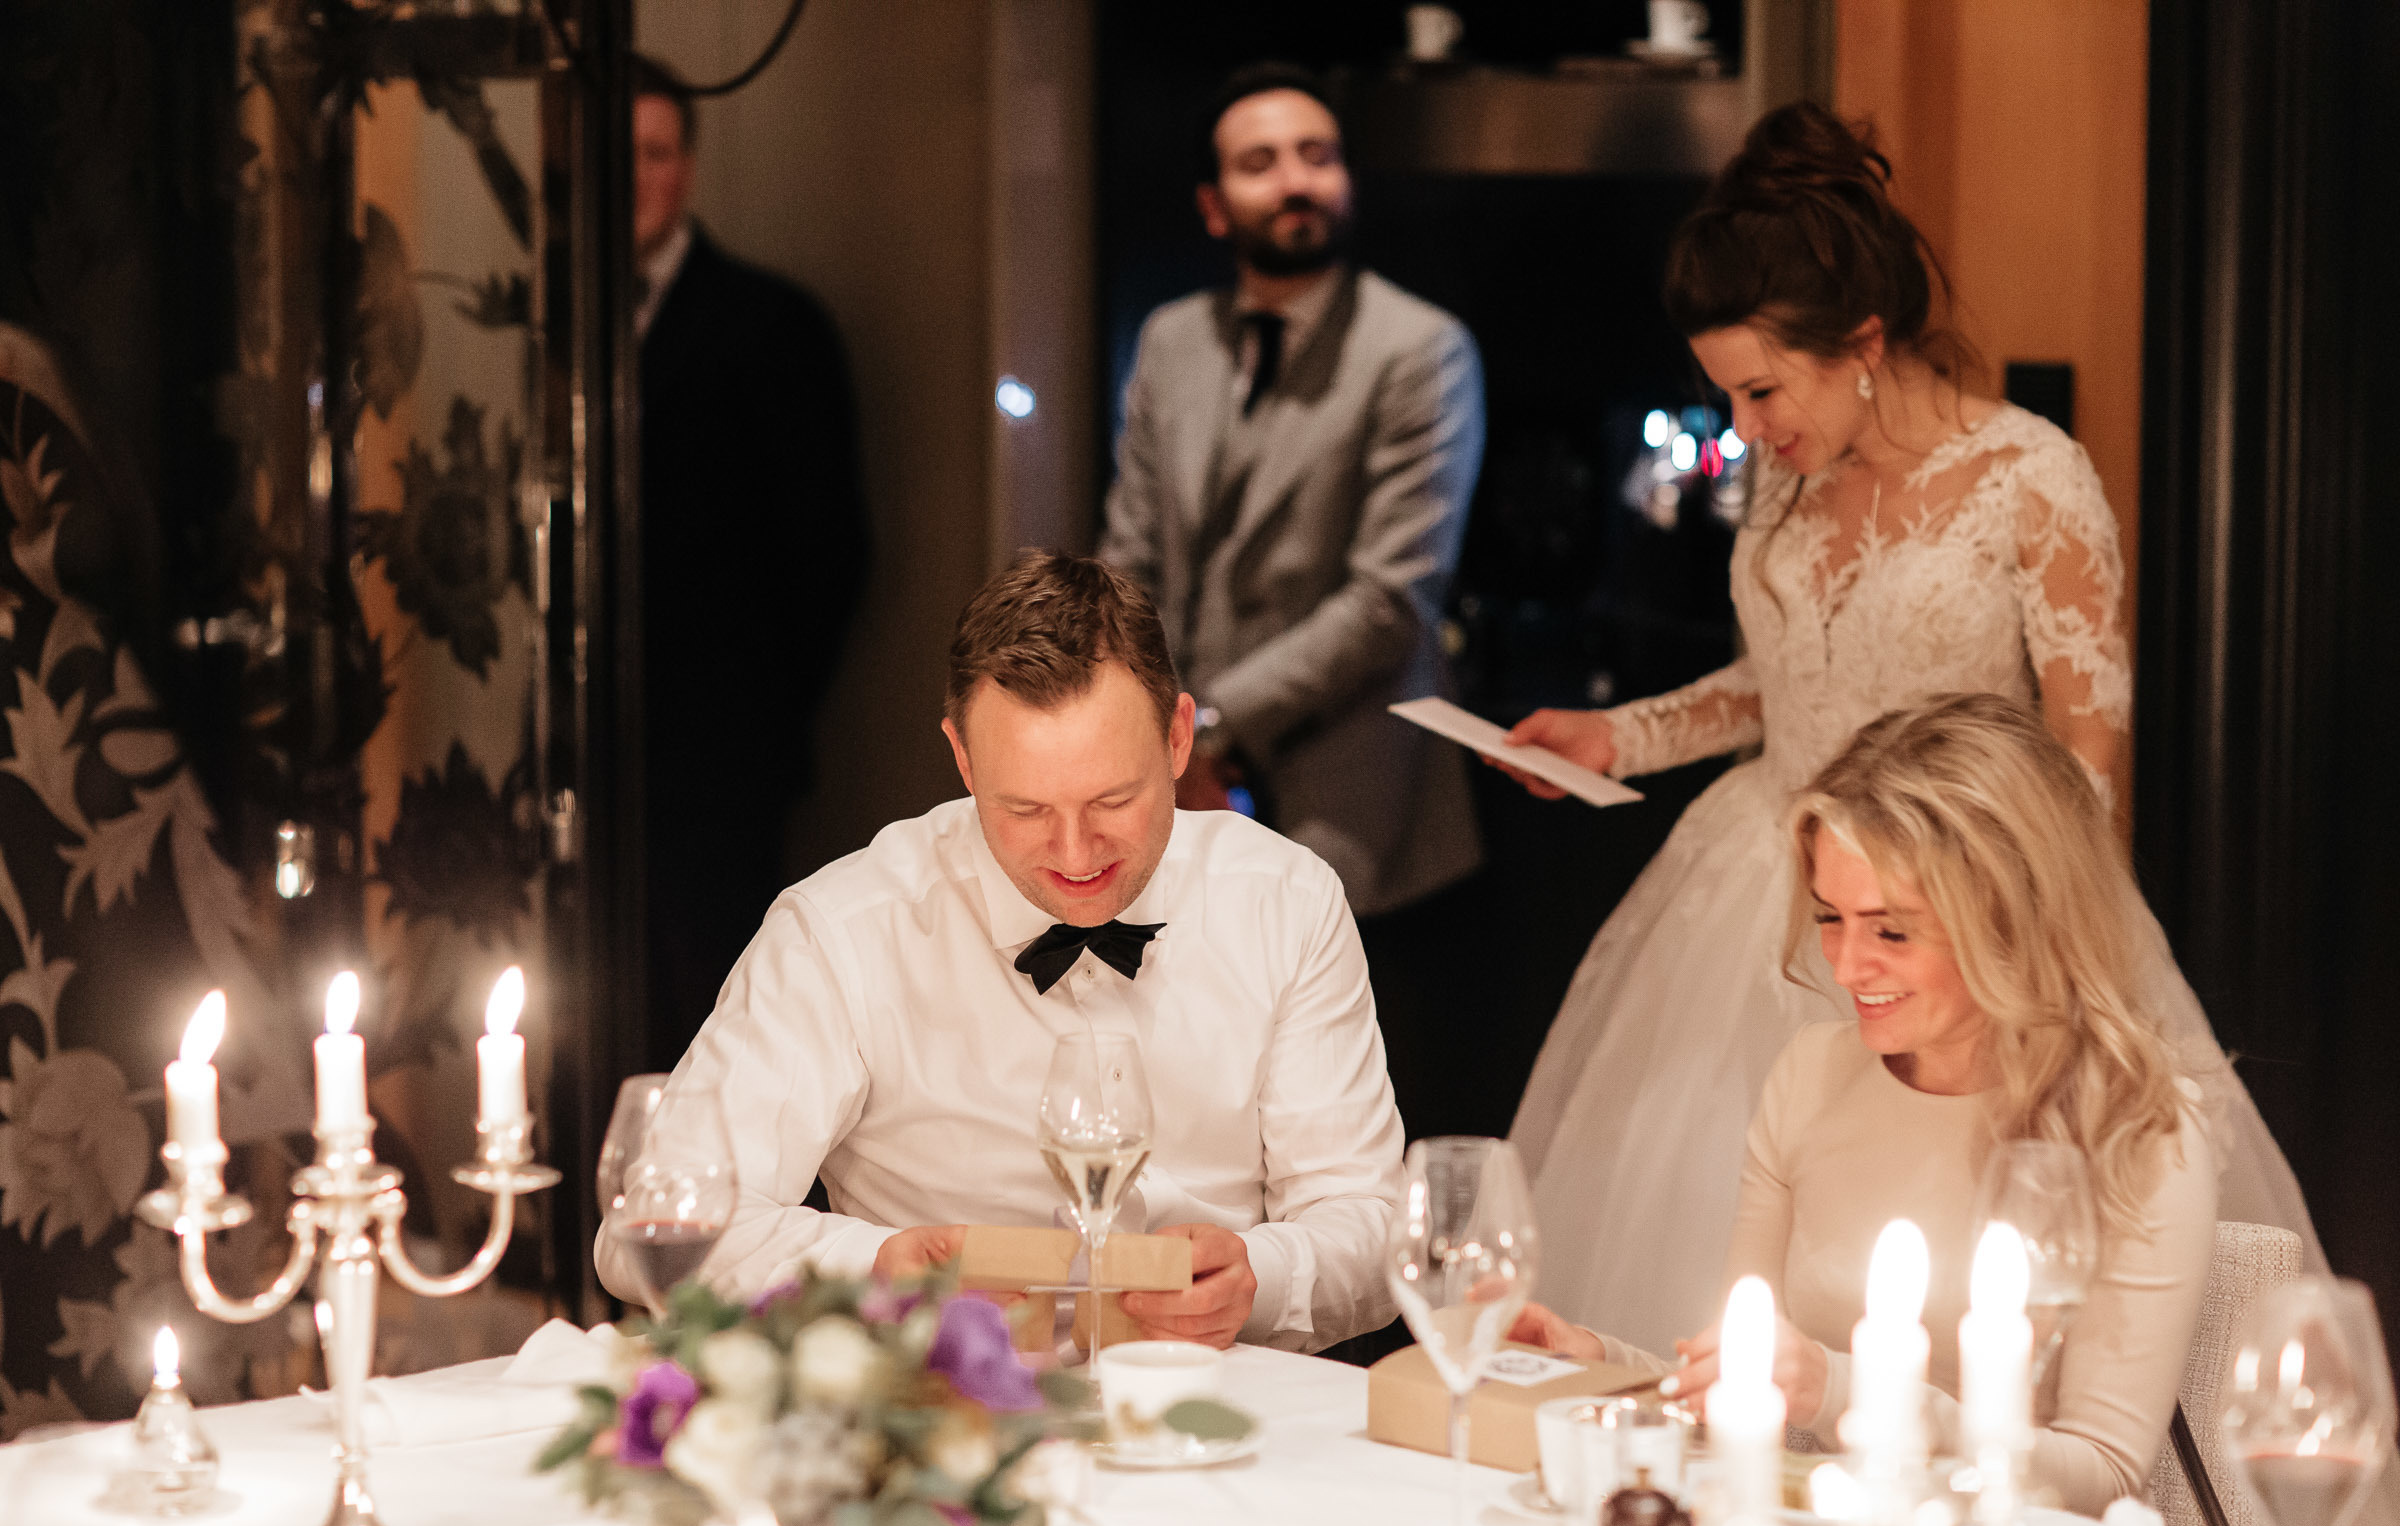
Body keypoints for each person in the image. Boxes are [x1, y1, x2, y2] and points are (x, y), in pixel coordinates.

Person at [1497, 102, 2317, 1355]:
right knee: (1695, 1245)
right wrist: (1622, 738)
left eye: (1762, 389)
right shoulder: (1785, 480)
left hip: (1958, 900)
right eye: (1729, 396)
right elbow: (1786, 680)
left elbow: (2084, 763)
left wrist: (2025, 962)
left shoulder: (2031, 480)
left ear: (1864, 343)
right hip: (1763, 877)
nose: (1746, 429)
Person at [596, 553, 1406, 1353]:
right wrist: (873, 1272)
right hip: (937, 1407)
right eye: (1024, 808)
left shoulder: (1287, 902)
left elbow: (1370, 1223)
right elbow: (647, 1235)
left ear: (1178, 738)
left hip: (1225, 1400)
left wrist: (1264, 1277)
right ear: (962, 758)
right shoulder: (841, 932)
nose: (1076, 852)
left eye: (1113, 800)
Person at [1514, 695, 2214, 1515]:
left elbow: (2101, 1473)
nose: (1845, 968)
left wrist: (1838, 1387)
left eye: (1891, 931)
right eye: (1830, 918)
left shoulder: (2139, 1127)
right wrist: (1597, 1363)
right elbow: (1755, 1378)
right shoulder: (1811, 1075)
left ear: (2011, 919)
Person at [1097, 62, 1484, 922]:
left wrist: (1210, 729)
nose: (1296, 181)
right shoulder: (1172, 340)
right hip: (1173, 773)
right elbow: (1130, 559)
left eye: (1317, 155)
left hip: (1349, 786)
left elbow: (1389, 602)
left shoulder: (1421, 348)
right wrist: (1152, 731)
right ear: (1213, 206)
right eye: (1260, 162)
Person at [632, 54, 869, 1071]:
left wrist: (756, 716)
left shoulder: (772, 324)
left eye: (653, 153)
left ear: (687, 167)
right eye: (614, 156)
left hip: (722, 756)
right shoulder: (553, 326)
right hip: (587, 758)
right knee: (596, 1016)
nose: (634, 177)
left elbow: (830, 551)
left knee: (719, 1021)